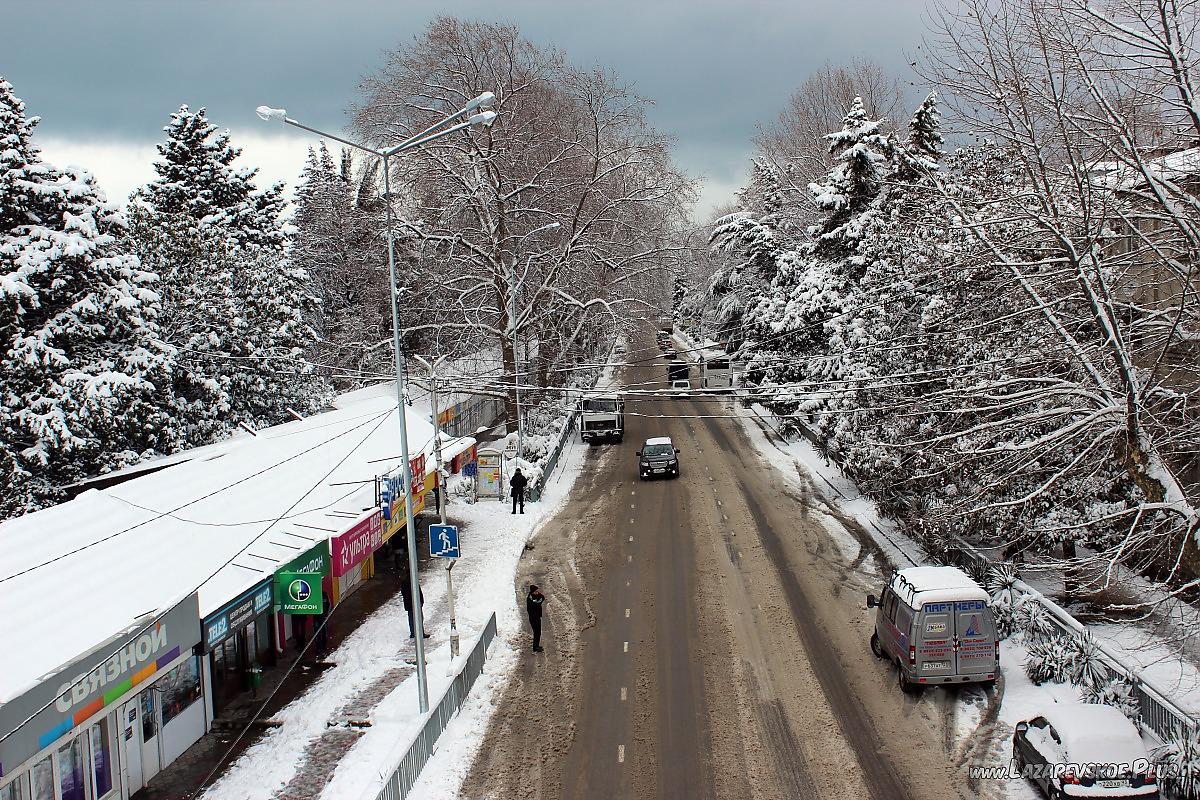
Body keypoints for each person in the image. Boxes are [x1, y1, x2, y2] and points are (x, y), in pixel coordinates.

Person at [398, 564, 430, 639]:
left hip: (409, 604)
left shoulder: (405, 581)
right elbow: (417, 592)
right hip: (414, 603)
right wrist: (420, 601)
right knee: (419, 617)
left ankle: (413, 633)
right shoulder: (412, 581)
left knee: (411, 618)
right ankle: (420, 633)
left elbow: (403, 593)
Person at [526, 583, 545, 652]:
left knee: (538, 632)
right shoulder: (529, 599)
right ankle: (535, 647)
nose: (537, 592)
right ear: (533, 592)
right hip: (533, 618)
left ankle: (536, 646)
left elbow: (543, 597)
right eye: (536, 591)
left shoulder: (536, 595)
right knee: (536, 632)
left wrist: (538, 601)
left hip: (537, 617)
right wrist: (538, 602)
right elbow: (536, 605)